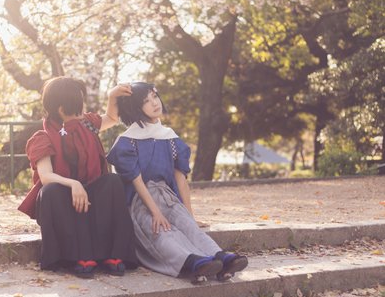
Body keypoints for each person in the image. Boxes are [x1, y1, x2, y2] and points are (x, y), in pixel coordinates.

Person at [107, 82, 248, 281]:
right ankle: (193, 262)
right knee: (161, 232)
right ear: (135, 108)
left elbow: (181, 181)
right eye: (146, 101)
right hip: (140, 202)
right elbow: (137, 183)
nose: (154, 103)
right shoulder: (127, 141)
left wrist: (190, 215)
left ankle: (222, 258)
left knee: (189, 227)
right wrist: (156, 213)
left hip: (168, 197)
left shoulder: (170, 138)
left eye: (154, 96)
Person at [18, 76, 138, 278]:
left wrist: (112, 96)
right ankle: (78, 256)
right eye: (77, 104)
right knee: (50, 191)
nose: (82, 108)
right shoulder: (42, 138)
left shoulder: (87, 123)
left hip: (91, 192)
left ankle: (114, 254)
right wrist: (73, 184)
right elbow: (46, 176)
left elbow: (111, 118)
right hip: (63, 198)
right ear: (61, 109)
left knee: (113, 181)